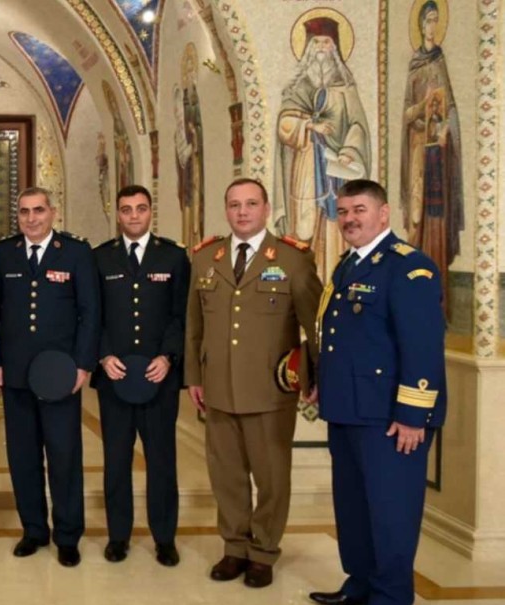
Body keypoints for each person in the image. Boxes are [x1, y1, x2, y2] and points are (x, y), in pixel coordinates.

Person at [308, 179, 446, 605]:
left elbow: (422, 348)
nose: (350, 219)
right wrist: (321, 382)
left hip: (389, 419)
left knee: (391, 516)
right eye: (344, 211)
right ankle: (360, 586)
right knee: (354, 511)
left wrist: (412, 416)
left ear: (384, 213)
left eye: (360, 210)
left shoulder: (409, 268)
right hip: (347, 409)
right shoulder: (348, 265)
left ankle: (390, 597)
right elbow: (341, 338)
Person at [184, 178, 323, 588]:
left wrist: (315, 376)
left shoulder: (293, 259)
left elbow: (315, 326)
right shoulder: (206, 258)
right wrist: (194, 378)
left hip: (270, 391)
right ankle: (234, 548)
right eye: (234, 204)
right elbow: (194, 325)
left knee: (272, 477)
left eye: (250, 204)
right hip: (218, 387)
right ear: (225, 210)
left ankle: (263, 551)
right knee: (226, 476)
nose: (242, 212)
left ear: (266, 209)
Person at [0, 186, 100, 567]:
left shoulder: (76, 252)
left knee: (64, 456)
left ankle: (68, 535)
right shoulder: (6, 252)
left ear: (53, 212)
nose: (31, 218)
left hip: (60, 375)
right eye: (24, 212)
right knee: (23, 457)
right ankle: (34, 529)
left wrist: (82, 365)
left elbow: (90, 312)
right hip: (16, 375)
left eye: (38, 210)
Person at [91, 185, 190, 566]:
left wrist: (168, 357)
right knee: (116, 460)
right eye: (127, 209)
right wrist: (103, 355)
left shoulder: (174, 256)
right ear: (118, 214)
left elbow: (181, 315)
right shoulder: (100, 257)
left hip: (158, 377)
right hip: (114, 377)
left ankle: (164, 538)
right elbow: (92, 315)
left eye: (141, 208)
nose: (134, 216)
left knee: (162, 459)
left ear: (151, 212)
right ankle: (118, 536)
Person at [273, 15, 371, 279]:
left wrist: (348, 152)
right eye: (315, 42)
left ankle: (334, 280)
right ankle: (304, 285)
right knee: (304, 226)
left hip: (336, 170)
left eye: (326, 42)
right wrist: (308, 125)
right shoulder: (297, 88)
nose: (320, 48)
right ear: (307, 47)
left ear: (335, 48)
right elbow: (284, 125)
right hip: (305, 166)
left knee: (335, 226)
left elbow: (357, 126)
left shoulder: (345, 88)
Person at [400, 0, 463, 317]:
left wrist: (446, 129)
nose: (432, 26)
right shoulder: (415, 64)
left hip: (437, 151)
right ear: (420, 24)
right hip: (417, 150)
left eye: (436, 20)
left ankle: (439, 300)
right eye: (428, 20)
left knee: (437, 219)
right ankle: (416, 295)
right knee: (417, 218)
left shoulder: (440, 61)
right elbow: (407, 113)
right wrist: (421, 108)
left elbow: (450, 106)